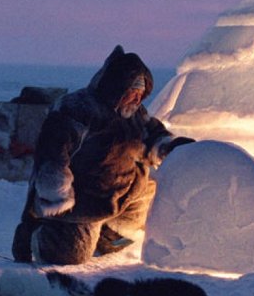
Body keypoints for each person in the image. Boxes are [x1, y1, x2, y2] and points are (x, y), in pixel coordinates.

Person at [12, 45, 192, 265]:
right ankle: (39, 236)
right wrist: (56, 192)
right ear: (117, 88)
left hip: (127, 194)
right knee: (67, 257)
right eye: (131, 93)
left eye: (140, 94)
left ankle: (104, 237)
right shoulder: (78, 108)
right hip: (83, 201)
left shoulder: (136, 114)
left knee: (140, 222)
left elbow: (153, 135)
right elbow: (53, 153)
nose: (136, 100)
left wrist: (171, 147)